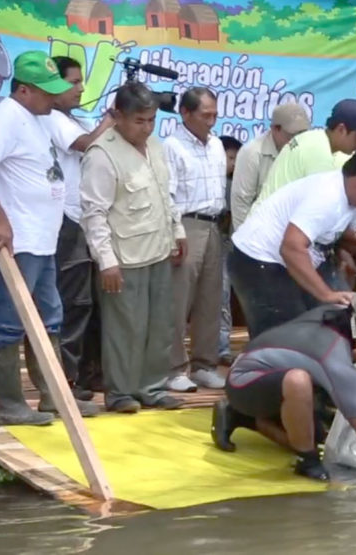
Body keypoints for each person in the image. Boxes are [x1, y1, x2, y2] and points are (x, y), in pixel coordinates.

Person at [0, 51, 97, 425]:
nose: (54, 98)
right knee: (9, 320)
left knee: (50, 318)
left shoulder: (40, 117)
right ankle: (9, 405)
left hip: (42, 238)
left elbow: (80, 144)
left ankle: (53, 396)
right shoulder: (8, 117)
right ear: (23, 90)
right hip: (17, 241)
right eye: (46, 91)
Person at [213, 286, 356, 481]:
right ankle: (307, 461)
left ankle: (245, 418)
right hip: (242, 384)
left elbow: (335, 347)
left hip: (265, 372)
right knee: (298, 383)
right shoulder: (335, 361)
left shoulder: (338, 314)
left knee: (312, 436)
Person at [80, 82, 189, 413]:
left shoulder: (154, 146)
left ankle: (153, 387)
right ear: (118, 116)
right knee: (124, 329)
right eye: (139, 121)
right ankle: (121, 393)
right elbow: (93, 213)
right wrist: (106, 262)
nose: (146, 127)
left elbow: (164, 193)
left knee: (160, 325)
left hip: (157, 248)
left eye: (151, 120)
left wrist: (178, 231)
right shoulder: (101, 154)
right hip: (123, 258)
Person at [229, 145, 356, 338]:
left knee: (345, 315)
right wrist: (325, 294)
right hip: (258, 259)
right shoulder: (327, 198)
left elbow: (337, 234)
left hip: (296, 257)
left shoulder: (354, 198)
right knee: (284, 336)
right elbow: (291, 247)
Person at [45, 56, 114, 402]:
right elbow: (87, 144)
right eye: (73, 82)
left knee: (88, 303)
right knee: (73, 303)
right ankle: (66, 381)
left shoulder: (70, 118)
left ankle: (87, 375)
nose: (81, 88)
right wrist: (111, 117)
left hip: (83, 220)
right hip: (67, 222)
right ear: (54, 86)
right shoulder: (54, 119)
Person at [163, 86, 228, 392]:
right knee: (178, 300)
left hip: (215, 225)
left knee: (210, 299)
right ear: (185, 113)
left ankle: (205, 364)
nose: (211, 121)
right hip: (186, 224)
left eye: (215, 114)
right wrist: (176, 231)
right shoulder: (172, 147)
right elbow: (168, 195)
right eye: (205, 115)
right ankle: (173, 368)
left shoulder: (216, 145)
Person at [255, 99, 356, 206]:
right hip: (268, 229)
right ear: (341, 130)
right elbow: (321, 207)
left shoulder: (315, 139)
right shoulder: (318, 150)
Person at [230, 103, 310, 229]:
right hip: (255, 233)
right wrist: (245, 239)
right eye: (292, 135)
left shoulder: (303, 151)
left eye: (302, 134)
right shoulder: (252, 152)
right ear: (275, 129)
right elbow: (241, 202)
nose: (297, 139)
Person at [217, 134, 243, 366]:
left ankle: (222, 347)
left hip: (228, 245)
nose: (233, 163)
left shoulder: (235, 185)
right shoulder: (217, 183)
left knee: (223, 297)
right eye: (230, 157)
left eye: (237, 158)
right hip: (214, 242)